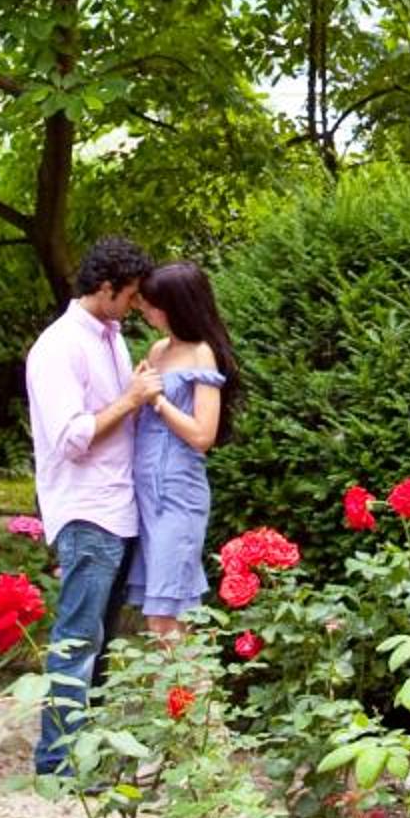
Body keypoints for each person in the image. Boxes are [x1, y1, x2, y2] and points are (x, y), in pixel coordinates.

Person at [25, 234, 160, 775]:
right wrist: (129, 399)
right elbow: (70, 437)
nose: (135, 305)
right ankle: (57, 762)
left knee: (102, 642)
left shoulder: (111, 338)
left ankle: (87, 756)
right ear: (105, 288)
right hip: (86, 511)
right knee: (78, 639)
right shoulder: (58, 347)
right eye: (130, 295)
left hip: (118, 506)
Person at [128, 260, 242, 637]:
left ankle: (188, 679)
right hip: (146, 490)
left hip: (178, 491)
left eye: (153, 304)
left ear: (177, 305)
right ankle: (184, 678)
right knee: (164, 614)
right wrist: (135, 394)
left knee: (165, 614)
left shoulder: (201, 354)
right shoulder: (158, 350)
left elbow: (202, 435)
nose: (145, 310)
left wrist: (158, 400)